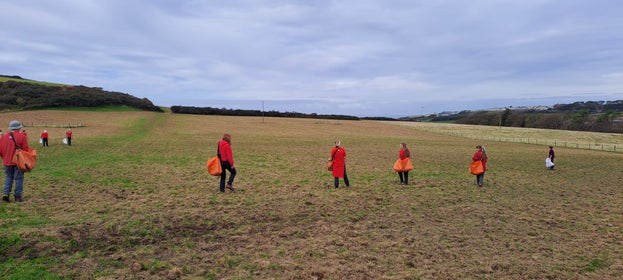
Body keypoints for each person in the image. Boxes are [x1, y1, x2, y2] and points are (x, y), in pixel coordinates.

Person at [0, 120, 29, 202]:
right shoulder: (22, 136)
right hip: (18, 162)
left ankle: (5, 193)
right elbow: (25, 149)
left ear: (11, 128)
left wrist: (4, 158)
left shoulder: (3, 137)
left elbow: (0, 151)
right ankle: (18, 196)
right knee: (19, 178)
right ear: (19, 128)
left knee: (8, 177)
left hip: (6, 161)